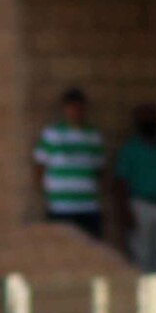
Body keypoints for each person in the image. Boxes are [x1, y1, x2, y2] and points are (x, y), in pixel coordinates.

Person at [115, 104, 156, 276]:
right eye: (143, 118)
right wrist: (126, 211)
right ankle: (144, 293)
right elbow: (120, 181)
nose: (148, 121)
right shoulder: (130, 148)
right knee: (142, 256)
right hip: (140, 205)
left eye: (151, 117)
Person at [32, 87, 106, 240]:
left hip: (88, 205)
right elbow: (39, 166)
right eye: (71, 107)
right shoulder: (51, 134)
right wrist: (45, 192)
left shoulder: (93, 135)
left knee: (91, 248)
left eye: (79, 107)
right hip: (61, 206)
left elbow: (99, 169)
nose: (75, 111)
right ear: (64, 109)